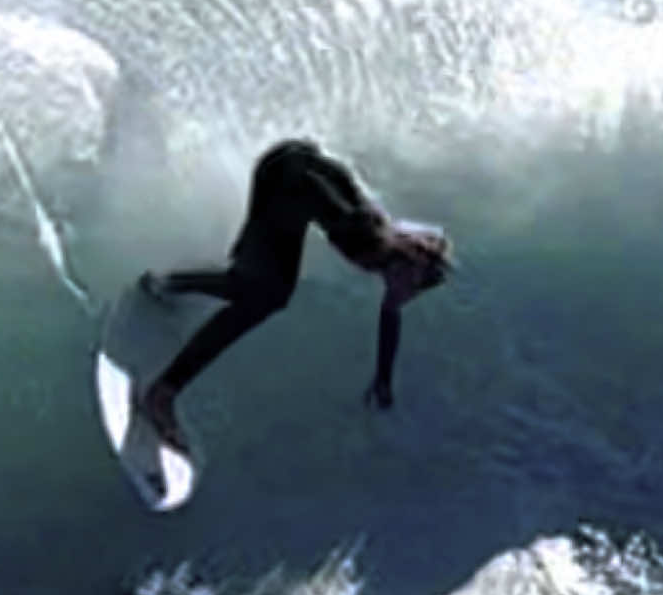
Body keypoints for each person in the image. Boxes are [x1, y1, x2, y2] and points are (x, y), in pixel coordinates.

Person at [136, 139, 452, 451]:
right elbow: (311, 185)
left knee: (260, 288)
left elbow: (390, 312)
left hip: (292, 167)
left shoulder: (390, 246)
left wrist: (383, 378)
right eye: (413, 285)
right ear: (409, 265)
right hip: (288, 179)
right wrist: (255, 225)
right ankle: (162, 393)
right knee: (265, 295)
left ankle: (168, 283)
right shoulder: (366, 238)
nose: (405, 294)